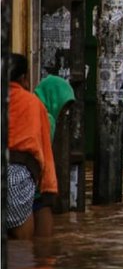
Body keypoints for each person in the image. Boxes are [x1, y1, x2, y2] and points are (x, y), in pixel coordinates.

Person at [7, 53, 57, 239]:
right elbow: (44, 149)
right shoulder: (33, 104)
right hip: (18, 176)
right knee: (22, 248)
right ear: (23, 78)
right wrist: (48, 190)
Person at [32, 74, 75, 237]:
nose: (64, 112)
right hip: (37, 180)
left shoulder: (30, 108)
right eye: (64, 106)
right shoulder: (47, 118)